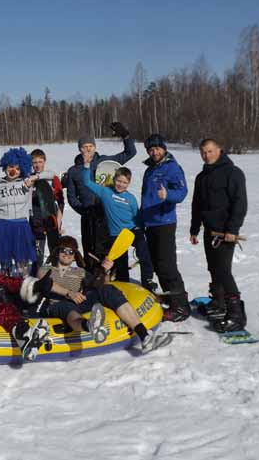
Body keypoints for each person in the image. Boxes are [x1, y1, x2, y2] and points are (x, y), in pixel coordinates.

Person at [37, 236, 169, 353]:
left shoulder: (80, 271)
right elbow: (45, 283)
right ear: (56, 252)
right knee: (67, 308)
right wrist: (69, 293)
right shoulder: (46, 269)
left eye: (71, 252)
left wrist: (105, 270)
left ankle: (144, 335)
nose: (67, 254)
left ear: (75, 255)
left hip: (81, 300)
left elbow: (100, 284)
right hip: (57, 304)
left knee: (107, 290)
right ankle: (88, 325)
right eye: (63, 250)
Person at [190, 138, 248, 332]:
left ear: (219, 150)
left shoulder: (233, 173)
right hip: (209, 231)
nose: (207, 155)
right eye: (203, 152)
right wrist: (194, 229)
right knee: (213, 268)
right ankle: (218, 302)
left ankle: (236, 315)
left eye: (210, 151)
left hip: (225, 232)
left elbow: (240, 203)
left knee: (223, 271)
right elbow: (197, 205)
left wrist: (232, 230)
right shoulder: (202, 177)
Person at [65, 122, 137, 271]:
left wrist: (126, 136)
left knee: (110, 253)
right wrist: (83, 210)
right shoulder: (74, 171)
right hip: (88, 217)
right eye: (84, 147)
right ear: (79, 149)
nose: (87, 149)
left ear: (95, 147)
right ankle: (93, 283)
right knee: (91, 253)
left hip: (108, 216)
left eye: (90, 146)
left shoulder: (105, 162)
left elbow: (130, 152)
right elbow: (72, 197)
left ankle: (116, 281)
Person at [80, 165, 157, 291]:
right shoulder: (105, 192)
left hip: (131, 230)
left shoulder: (131, 199)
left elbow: (136, 216)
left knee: (143, 250)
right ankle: (123, 284)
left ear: (128, 183)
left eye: (124, 182)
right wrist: (86, 166)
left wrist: (141, 230)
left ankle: (147, 280)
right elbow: (87, 182)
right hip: (116, 234)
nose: (121, 184)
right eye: (119, 181)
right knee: (121, 263)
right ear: (114, 179)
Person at [141, 134, 190, 322]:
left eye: (157, 148)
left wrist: (167, 194)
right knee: (157, 264)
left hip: (164, 222)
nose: (154, 152)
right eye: (151, 149)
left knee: (167, 265)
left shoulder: (172, 167)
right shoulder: (150, 169)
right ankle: (170, 298)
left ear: (164, 148)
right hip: (150, 222)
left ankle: (181, 307)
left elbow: (182, 192)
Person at [0, 147, 39, 276]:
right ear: (5, 166)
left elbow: (50, 173)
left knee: (22, 264)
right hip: (1, 225)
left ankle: (24, 288)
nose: (13, 171)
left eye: (17, 168)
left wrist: (34, 177)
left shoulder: (26, 183)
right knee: (5, 264)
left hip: (21, 226)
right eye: (10, 167)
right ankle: (6, 288)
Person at [29, 148, 65, 267]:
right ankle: (37, 277)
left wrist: (58, 223)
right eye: (34, 162)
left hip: (51, 218)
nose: (37, 165)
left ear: (44, 162)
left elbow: (61, 202)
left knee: (55, 251)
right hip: (36, 219)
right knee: (37, 253)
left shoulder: (52, 178)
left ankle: (57, 277)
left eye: (40, 162)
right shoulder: (29, 179)